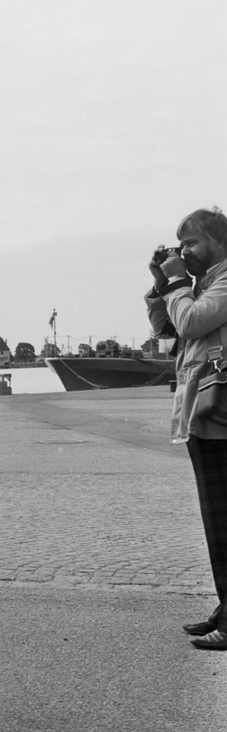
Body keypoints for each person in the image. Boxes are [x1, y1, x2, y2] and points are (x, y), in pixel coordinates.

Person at [146, 207, 227, 651]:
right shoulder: (199, 287)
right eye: (180, 246)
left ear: (217, 241)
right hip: (205, 416)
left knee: (225, 522)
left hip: (222, 416)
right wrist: (164, 286)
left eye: (191, 243)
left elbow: (193, 321)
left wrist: (178, 284)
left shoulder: (224, 281)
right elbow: (167, 330)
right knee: (217, 523)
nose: (184, 252)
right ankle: (225, 608)